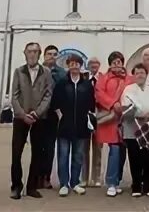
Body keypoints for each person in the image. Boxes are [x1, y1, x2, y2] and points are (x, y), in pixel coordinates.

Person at [9, 43, 53, 200]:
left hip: (39, 118)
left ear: (40, 54)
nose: (32, 54)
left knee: (37, 154)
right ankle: (16, 186)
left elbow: (48, 95)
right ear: (25, 53)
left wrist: (37, 113)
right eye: (29, 51)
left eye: (35, 51)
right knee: (16, 153)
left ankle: (31, 187)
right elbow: (14, 95)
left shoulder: (46, 72)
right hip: (21, 118)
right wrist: (22, 114)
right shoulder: (19, 72)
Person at [52, 53, 96, 197]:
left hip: (81, 127)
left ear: (80, 65)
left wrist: (89, 118)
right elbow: (55, 102)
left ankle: (75, 182)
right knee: (63, 155)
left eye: (77, 64)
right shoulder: (62, 83)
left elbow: (91, 104)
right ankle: (64, 184)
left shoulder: (87, 84)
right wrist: (60, 116)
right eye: (71, 64)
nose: (74, 66)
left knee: (78, 156)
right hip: (65, 126)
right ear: (68, 65)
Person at [95, 51, 133, 197]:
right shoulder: (104, 78)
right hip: (111, 118)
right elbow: (99, 93)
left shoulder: (129, 79)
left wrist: (124, 107)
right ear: (110, 64)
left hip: (125, 118)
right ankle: (110, 182)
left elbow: (133, 93)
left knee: (122, 151)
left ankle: (117, 180)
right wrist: (112, 104)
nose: (117, 64)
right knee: (115, 150)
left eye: (119, 62)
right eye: (114, 62)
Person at [121, 63, 149, 197]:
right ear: (133, 75)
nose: (140, 75)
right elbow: (125, 110)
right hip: (133, 130)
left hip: (148, 130)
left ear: (146, 74)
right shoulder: (128, 90)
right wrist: (138, 114)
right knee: (135, 159)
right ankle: (136, 186)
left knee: (148, 158)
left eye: (142, 73)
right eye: (137, 73)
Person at [38, 44, 66, 189]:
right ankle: (35, 177)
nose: (52, 57)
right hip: (37, 114)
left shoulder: (61, 73)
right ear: (44, 55)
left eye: (55, 54)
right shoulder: (37, 71)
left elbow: (62, 93)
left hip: (52, 115)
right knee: (38, 148)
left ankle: (46, 178)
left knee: (49, 148)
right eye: (49, 54)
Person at [81, 56, 103, 187]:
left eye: (96, 63)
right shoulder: (84, 79)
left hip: (100, 117)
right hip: (86, 117)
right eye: (91, 63)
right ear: (88, 65)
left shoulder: (103, 78)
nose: (94, 65)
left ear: (99, 65)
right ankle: (84, 178)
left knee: (98, 149)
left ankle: (96, 177)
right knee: (84, 149)